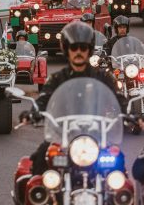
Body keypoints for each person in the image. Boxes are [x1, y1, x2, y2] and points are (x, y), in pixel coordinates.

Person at [20, 22, 122, 176]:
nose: (79, 52)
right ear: (67, 50)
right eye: (74, 48)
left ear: (89, 49)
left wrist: (131, 114)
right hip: (64, 133)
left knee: (119, 166)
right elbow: (44, 98)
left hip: (97, 134)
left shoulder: (103, 77)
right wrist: (33, 112)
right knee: (41, 159)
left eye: (83, 47)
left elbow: (118, 97)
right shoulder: (57, 78)